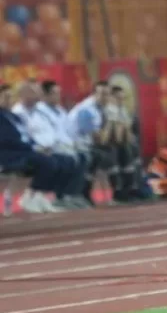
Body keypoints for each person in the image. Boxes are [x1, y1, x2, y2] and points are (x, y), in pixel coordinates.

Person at [12, 81, 86, 210]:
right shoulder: (18, 112)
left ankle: (45, 196)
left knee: (70, 159)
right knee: (53, 162)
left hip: (46, 148)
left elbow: (50, 132)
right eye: (33, 93)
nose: (37, 97)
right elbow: (23, 137)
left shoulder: (37, 112)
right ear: (23, 94)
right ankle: (33, 195)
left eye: (37, 93)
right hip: (24, 151)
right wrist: (38, 148)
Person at [0, 84, 70, 213]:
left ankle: (40, 196)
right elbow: (8, 140)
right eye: (6, 97)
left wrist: (37, 146)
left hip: (24, 151)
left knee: (58, 160)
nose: (9, 100)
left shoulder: (15, 117)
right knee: (47, 162)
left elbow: (27, 135)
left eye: (11, 97)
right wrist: (32, 148)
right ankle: (30, 195)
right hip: (10, 154)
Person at [67, 80, 111, 205]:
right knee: (97, 156)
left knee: (109, 154)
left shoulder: (100, 109)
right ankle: (82, 193)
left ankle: (123, 191)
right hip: (73, 144)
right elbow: (97, 138)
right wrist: (108, 127)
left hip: (85, 144)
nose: (105, 97)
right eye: (102, 94)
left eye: (107, 94)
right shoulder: (86, 109)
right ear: (94, 94)